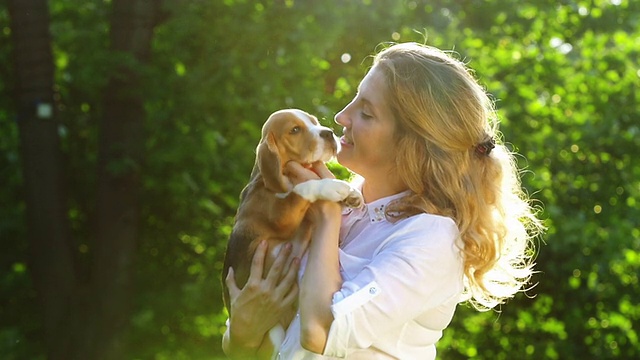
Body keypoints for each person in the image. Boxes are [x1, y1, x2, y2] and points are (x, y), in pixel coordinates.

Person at [222, 42, 544, 359]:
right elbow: (264, 336)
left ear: (412, 146)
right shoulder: (348, 204)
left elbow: (317, 332)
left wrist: (327, 215)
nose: (341, 116)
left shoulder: (430, 240)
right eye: (353, 101)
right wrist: (242, 337)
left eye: (366, 112)